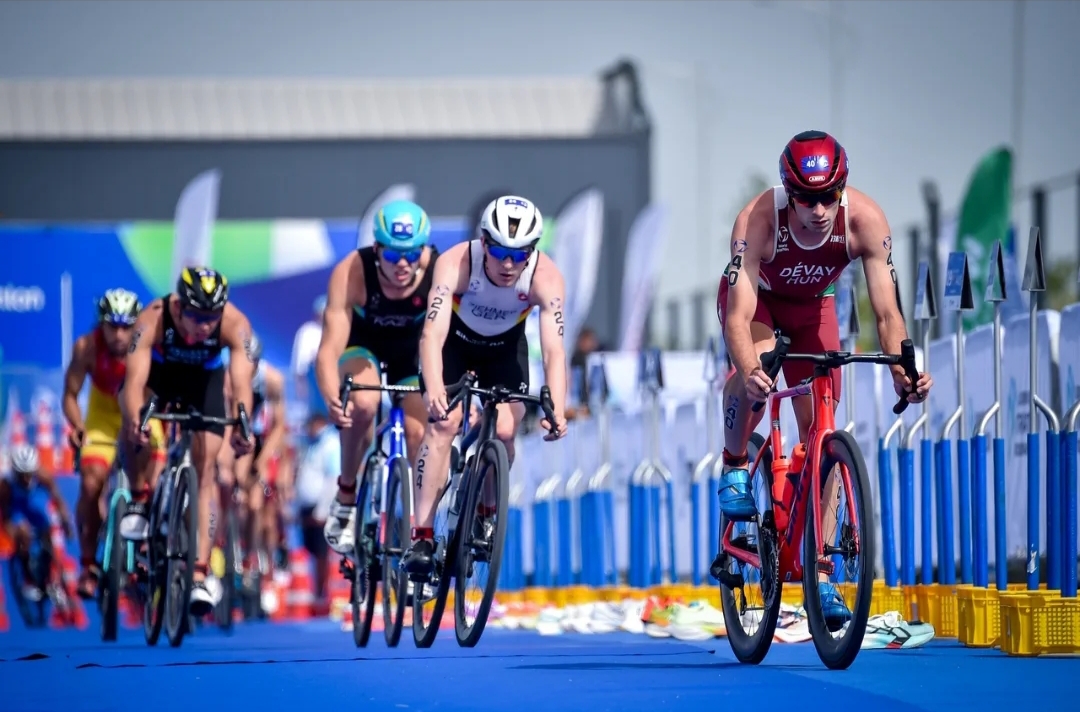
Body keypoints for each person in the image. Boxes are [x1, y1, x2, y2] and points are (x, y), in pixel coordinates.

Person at [715, 130, 933, 626]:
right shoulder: (758, 220)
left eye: (829, 196)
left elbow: (886, 314)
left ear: (843, 189)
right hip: (760, 307)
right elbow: (736, 317)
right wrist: (749, 369)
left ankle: (821, 570)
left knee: (825, 429)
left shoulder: (865, 221)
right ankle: (733, 462)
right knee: (762, 364)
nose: (818, 209)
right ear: (789, 193)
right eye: (807, 198)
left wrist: (905, 368)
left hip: (816, 307)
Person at [402, 195, 568, 576]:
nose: (509, 264)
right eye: (499, 251)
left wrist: (557, 406)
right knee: (444, 423)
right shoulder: (456, 263)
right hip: (453, 347)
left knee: (507, 429)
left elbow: (555, 351)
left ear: (533, 250)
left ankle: (485, 512)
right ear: (483, 242)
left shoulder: (546, 276)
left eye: (520, 253)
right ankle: (422, 535)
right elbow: (431, 334)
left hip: (504, 351)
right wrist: (434, 388)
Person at [119, 266, 256, 616]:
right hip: (159, 378)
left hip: (204, 382)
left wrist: (243, 425)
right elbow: (133, 383)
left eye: (212, 317)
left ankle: (198, 573)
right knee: (136, 427)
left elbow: (241, 383)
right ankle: (138, 498)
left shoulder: (234, 323)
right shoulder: (152, 318)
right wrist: (137, 417)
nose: (204, 325)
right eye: (196, 316)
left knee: (205, 468)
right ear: (179, 308)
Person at [316, 200, 438, 556]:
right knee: (363, 404)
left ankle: (420, 527)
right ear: (376, 249)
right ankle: (347, 492)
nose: (403, 264)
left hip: (410, 353)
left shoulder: (437, 271)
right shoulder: (352, 271)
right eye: (392, 256)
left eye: (413, 255)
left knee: (419, 430)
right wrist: (331, 398)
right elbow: (327, 350)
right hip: (362, 344)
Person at [61, 288, 166, 599]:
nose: (120, 335)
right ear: (101, 324)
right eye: (112, 326)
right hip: (104, 420)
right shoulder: (86, 347)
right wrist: (78, 427)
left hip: (141, 414)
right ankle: (89, 564)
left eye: (126, 327)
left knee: (156, 480)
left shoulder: (149, 343)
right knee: (91, 484)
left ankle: (150, 540)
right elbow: (69, 395)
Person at [218, 333, 287, 583]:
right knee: (226, 476)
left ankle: (249, 556)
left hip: (260, 439)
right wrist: (226, 459)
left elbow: (279, 427)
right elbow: (225, 422)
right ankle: (221, 539)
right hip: (234, 432)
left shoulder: (272, 380)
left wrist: (263, 459)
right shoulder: (227, 378)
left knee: (256, 504)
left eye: (252, 363)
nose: (247, 368)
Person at [0, 444, 74, 603]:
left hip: (35, 503)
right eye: (22, 475)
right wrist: (15, 536)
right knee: (23, 535)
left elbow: (58, 501)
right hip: (17, 508)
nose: (26, 479)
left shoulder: (43, 476)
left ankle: (51, 577)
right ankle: (28, 579)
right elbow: (5, 517)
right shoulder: (5, 485)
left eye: (29, 474)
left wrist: (66, 523)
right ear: (15, 471)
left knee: (48, 534)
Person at [293, 410, 340, 604]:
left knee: (321, 553)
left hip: (321, 507)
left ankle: (322, 593)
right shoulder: (311, 445)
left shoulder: (330, 443)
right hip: (308, 506)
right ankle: (316, 591)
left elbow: (333, 478)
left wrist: (323, 509)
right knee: (312, 551)